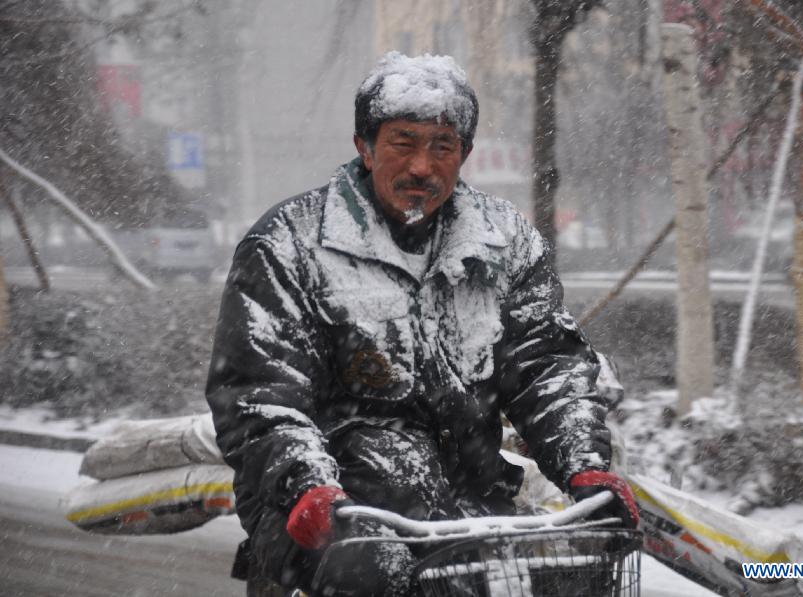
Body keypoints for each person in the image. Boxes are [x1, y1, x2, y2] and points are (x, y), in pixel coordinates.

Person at [206, 52, 638, 597]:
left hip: (466, 512)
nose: (422, 167)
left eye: (442, 147)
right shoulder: (289, 246)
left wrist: (586, 465)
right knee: (380, 536)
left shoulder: (505, 243)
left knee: (570, 574)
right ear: (365, 147)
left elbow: (544, 366)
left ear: (465, 154)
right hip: (323, 518)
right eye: (402, 143)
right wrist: (306, 484)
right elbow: (258, 393)